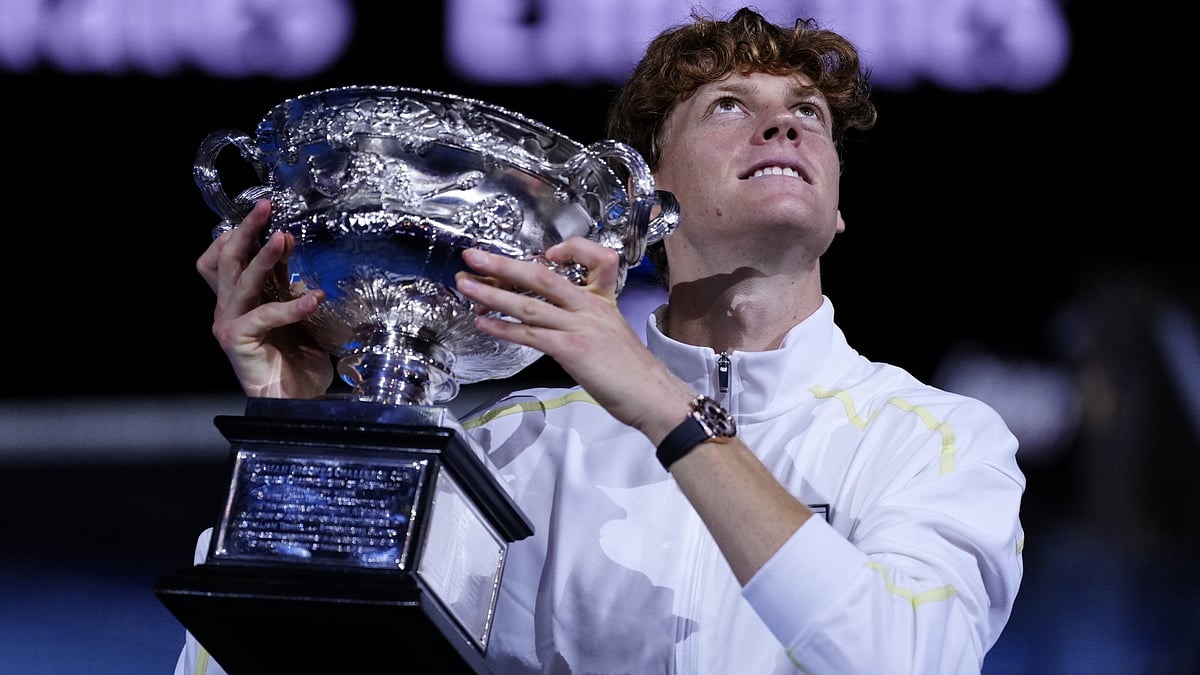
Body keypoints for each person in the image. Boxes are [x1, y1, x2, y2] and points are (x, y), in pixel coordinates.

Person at [178, 7, 1025, 674]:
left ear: (838, 206)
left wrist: (668, 410)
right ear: (646, 198)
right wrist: (300, 447)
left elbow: (907, 659)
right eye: (730, 106)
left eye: (808, 114)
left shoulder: (934, 439)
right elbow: (255, 662)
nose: (784, 127)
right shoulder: (515, 447)